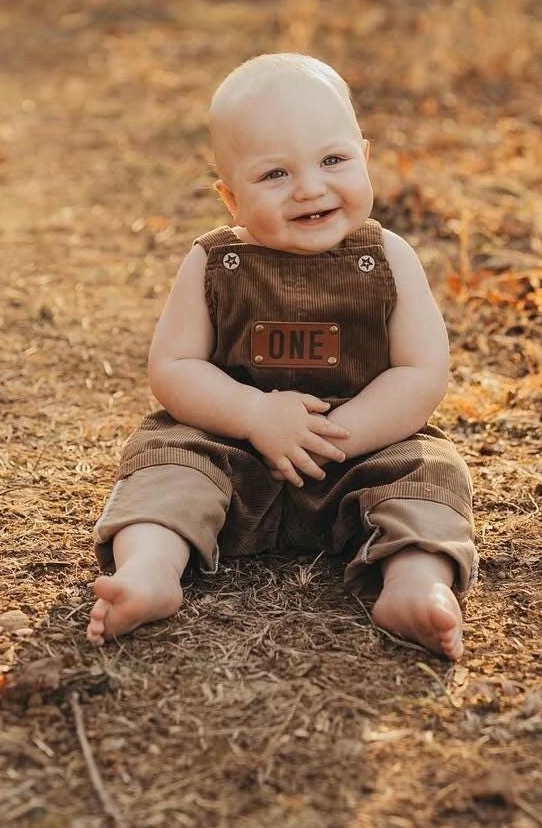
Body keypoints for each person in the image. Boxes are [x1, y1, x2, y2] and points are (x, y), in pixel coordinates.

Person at [87, 53, 477, 660]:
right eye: (274, 175)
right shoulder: (216, 263)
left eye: (333, 160)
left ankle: (415, 582)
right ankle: (150, 570)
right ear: (230, 198)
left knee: (428, 472)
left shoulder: (390, 257)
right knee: (165, 459)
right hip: (233, 452)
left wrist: (341, 436)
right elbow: (174, 368)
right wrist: (251, 414)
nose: (310, 188)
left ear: (365, 159)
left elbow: (421, 373)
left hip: (359, 452)